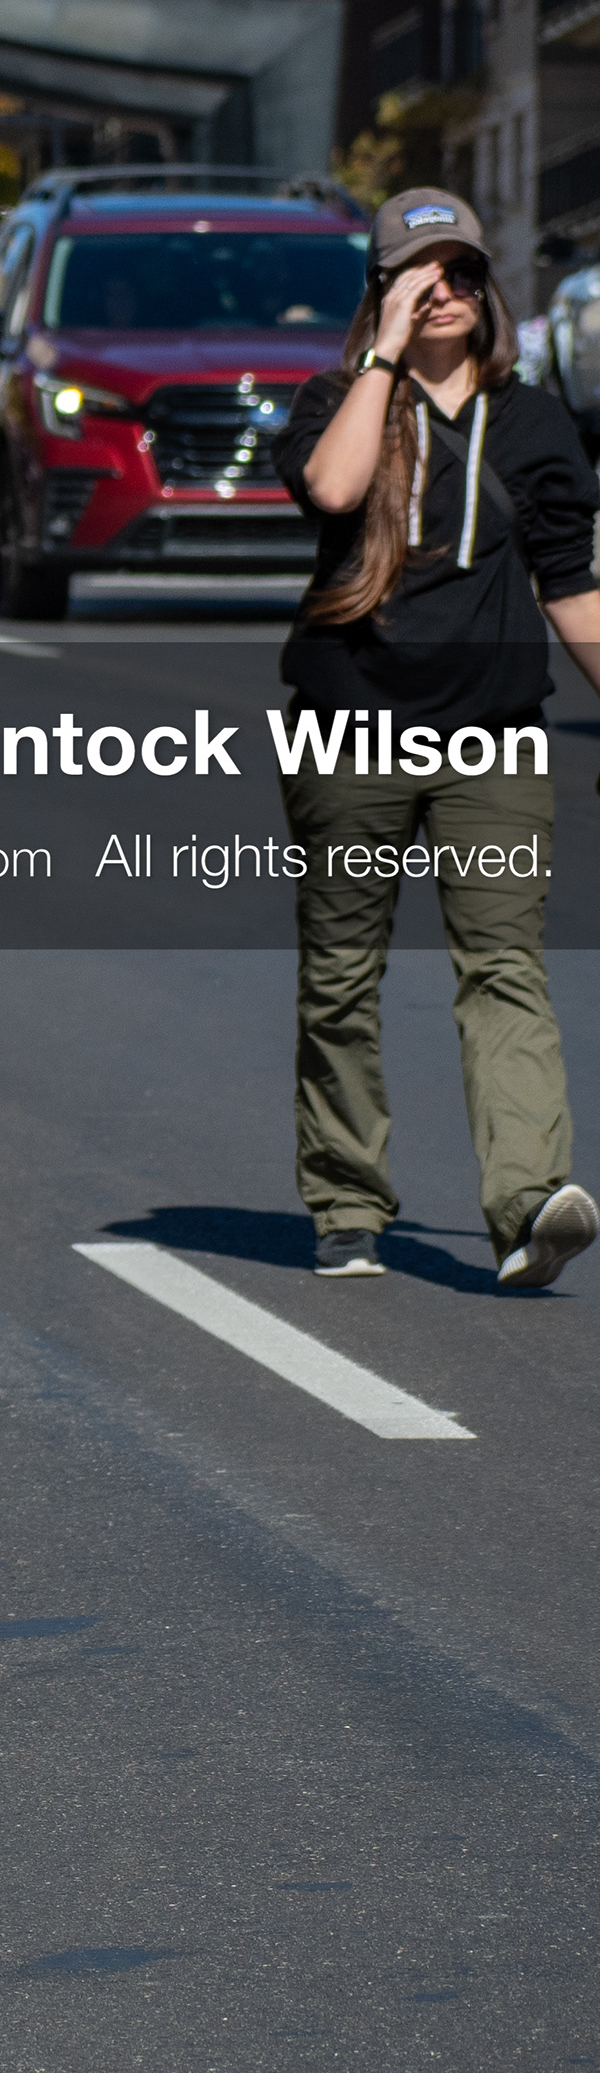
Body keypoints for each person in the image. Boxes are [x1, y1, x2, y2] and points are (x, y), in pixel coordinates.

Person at [275, 186, 600, 1288]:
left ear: (490, 288)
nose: (446, 290)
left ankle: (526, 1206)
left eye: (462, 271)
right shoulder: (335, 398)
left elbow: (573, 588)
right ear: (382, 292)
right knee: (341, 976)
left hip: (494, 739)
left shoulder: (535, 422)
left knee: (506, 967)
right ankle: (347, 1202)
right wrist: (386, 358)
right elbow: (333, 486)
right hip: (347, 733)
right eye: (421, 274)